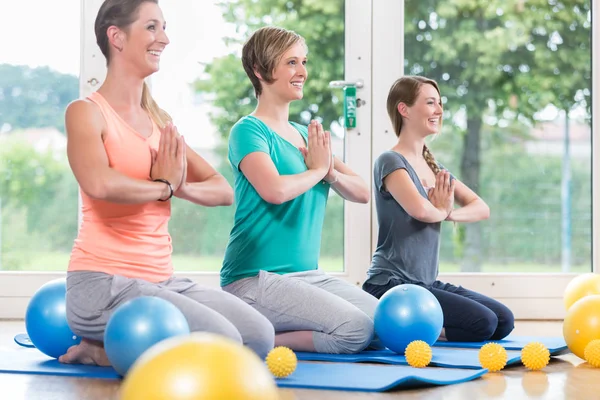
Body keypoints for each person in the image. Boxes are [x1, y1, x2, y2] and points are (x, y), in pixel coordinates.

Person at [58, 0, 274, 366]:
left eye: (164, 27)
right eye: (152, 27)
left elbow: (223, 189)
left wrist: (179, 185)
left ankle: (106, 349)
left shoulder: (159, 121)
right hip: (101, 284)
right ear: (117, 37)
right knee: (224, 341)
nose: (165, 39)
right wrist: (163, 186)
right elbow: (98, 182)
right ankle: (104, 343)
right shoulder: (86, 112)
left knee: (259, 336)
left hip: (161, 281)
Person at [220, 26, 383, 355]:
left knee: (385, 324)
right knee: (355, 330)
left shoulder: (306, 136)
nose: (303, 72)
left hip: (308, 277)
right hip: (254, 279)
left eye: (303, 62)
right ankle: (248, 340)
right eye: (291, 62)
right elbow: (274, 190)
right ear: (260, 70)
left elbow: (362, 192)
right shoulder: (248, 130)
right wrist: (318, 170)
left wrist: (329, 172)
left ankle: (284, 325)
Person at [362, 75, 514, 342]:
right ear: (404, 109)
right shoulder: (390, 161)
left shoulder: (434, 168)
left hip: (426, 283)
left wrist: (449, 212)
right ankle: (404, 328)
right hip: (390, 285)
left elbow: (481, 208)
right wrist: (441, 210)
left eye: (440, 103)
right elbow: (420, 210)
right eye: (430, 103)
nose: (439, 111)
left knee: (503, 321)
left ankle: (419, 327)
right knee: (483, 323)